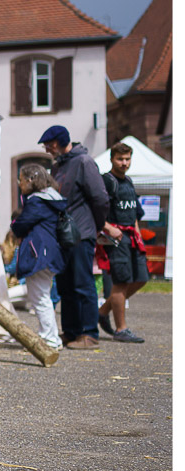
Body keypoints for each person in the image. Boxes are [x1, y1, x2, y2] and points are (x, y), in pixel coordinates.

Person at [40, 124, 108, 350]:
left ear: (58, 142)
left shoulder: (84, 162)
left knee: (82, 283)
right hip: (63, 236)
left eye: (48, 145)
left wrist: (97, 226)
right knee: (65, 285)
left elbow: (100, 198)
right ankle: (71, 331)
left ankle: (89, 334)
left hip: (81, 233)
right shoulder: (58, 166)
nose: (46, 149)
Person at [10, 163, 66, 351]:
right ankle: (52, 337)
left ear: (30, 180)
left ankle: (48, 340)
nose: (19, 184)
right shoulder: (52, 198)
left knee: (39, 298)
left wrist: (15, 224)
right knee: (43, 297)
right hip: (49, 252)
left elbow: (20, 225)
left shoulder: (37, 201)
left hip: (38, 254)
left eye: (21, 180)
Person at [97, 143, 148, 342]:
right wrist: (109, 228)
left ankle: (103, 311)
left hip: (132, 237)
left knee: (141, 278)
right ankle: (121, 330)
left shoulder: (129, 181)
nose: (124, 163)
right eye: (120, 159)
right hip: (115, 238)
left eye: (127, 159)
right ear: (112, 159)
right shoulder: (107, 181)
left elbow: (134, 213)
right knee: (121, 282)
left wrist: (138, 233)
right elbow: (96, 208)